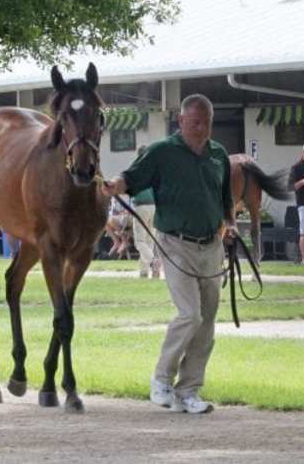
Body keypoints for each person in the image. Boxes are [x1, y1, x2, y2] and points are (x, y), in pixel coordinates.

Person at [102, 93, 234, 414]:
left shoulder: (219, 155)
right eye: (195, 122)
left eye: (206, 122)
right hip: (175, 242)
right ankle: (161, 378)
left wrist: (229, 225)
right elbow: (131, 178)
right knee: (190, 314)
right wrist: (113, 186)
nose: (201, 129)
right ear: (181, 121)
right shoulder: (162, 152)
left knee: (207, 323)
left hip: (211, 245)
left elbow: (225, 198)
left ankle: (189, 390)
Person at [130, 146, 160, 278]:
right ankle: (144, 271)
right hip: (153, 207)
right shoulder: (153, 168)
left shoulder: (135, 168)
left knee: (140, 242)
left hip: (140, 207)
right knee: (149, 241)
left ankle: (154, 262)